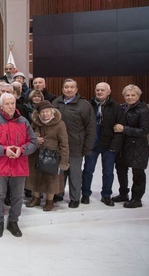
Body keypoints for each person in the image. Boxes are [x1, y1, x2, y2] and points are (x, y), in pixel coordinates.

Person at [0, 93, 37, 237]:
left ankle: (13, 222)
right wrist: (4, 150)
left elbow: (33, 142)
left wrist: (22, 150)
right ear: (1, 106)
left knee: (18, 196)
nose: (11, 106)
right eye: (7, 103)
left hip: (19, 165)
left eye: (13, 103)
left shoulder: (24, 122)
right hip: (0, 164)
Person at [52, 79, 95, 208]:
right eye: (66, 87)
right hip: (59, 146)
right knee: (59, 171)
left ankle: (75, 198)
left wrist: (87, 147)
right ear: (62, 89)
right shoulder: (56, 103)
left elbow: (91, 128)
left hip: (76, 145)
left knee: (74, 173)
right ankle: (58, 193)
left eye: (72, 87)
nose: (69, 90)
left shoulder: (84, 105)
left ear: (76, 90)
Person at [81, 82, 123, 206]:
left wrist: (114, 146)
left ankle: (106, 195)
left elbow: (119, 129)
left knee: (108, 172)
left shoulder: (116, 107)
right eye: (97, 90)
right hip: (92, 145)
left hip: (109, 146)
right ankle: (85, 194)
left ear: (108, 92)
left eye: (102, 90)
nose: (99, 92)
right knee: (88, 170)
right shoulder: (88, 105)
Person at [25, 100, 69, 211]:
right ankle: (36, 198)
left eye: (47, 112)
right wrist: (34, 139)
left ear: (52, 112)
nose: (45, 114)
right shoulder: (35, 123)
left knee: (51, 179)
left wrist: (64, 160)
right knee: (35, 177)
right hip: (36, 155)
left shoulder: (60, 124)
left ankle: (50, 201)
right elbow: (27, 137)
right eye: (42, 112)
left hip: (52, 156)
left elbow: (64, 144)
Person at [113, 85, 149, 208]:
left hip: (138, 147)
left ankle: (136, 199)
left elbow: (144, 131)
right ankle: (123, 194)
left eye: (133, 95)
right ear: (123, 96)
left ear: (138, 96)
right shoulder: (121, 107)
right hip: (123, 145)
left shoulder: (143, 110)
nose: (130, 97)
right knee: (121, 169)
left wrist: (124, 129)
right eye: (127, 95)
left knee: (138, 172)